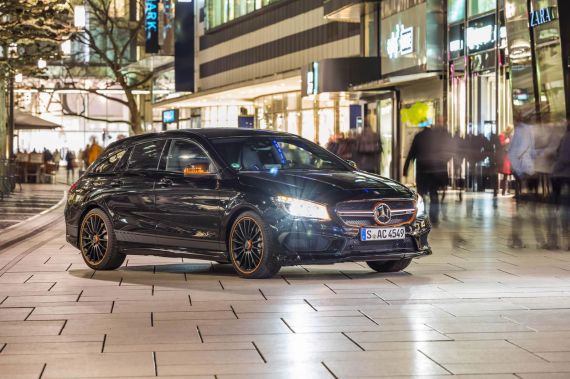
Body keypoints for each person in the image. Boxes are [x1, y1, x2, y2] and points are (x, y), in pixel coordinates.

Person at [403, 122, 450, 224]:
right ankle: (434, 218)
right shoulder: (436, 138)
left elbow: (412, 153)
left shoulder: (419, 136)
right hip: (434, 171)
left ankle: (421, 218)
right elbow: (443, 154)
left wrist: (405, 169)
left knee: (421, 195)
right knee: (434, 194)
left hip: (422, 170)